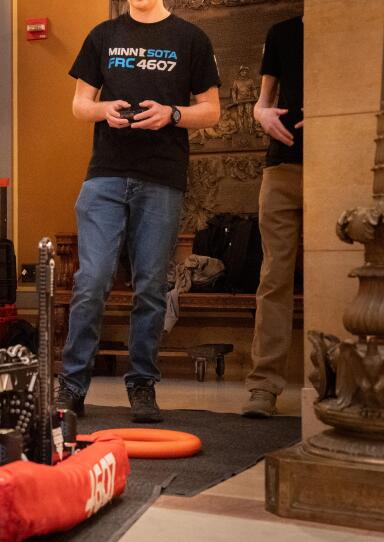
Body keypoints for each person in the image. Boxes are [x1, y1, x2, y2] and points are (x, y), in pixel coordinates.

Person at [58, 0, 221, 423]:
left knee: (150, 285)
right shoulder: (103, 36)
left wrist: (171, 114)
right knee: (91, 281)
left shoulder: (191, 38)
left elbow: (212, 110)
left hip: (162, 177)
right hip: (105, 175)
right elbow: (79, 105)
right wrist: (104, 110)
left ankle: (142, 385)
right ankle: (72, 386)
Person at [242, 16, 303, 418]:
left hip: (340, 165)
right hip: (281, 167)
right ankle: (264, 387)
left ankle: (339, 385)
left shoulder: (365, 24)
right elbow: (261, 104)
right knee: (273, 278)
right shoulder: (280, 32)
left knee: (342, 272)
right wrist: (261, 114)